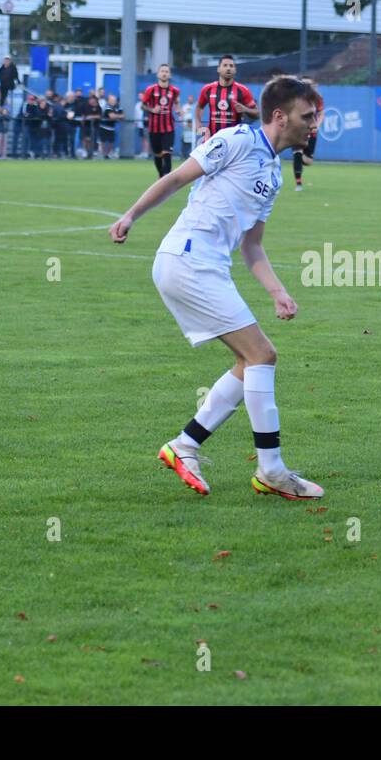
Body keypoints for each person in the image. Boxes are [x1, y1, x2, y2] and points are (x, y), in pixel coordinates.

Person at [108, 75, 323, 500]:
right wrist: (131, 215)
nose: (314, 124)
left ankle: (184, 445)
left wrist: (277, 291)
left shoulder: (273, 174)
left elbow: (253, 246)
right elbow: (176, 179)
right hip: (187, 260)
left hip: (206, 266)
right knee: (262, 354)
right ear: (280, 117)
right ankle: (271, 469)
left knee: (250, 363)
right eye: (307, 115)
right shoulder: (238, 140)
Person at [195, 54, 257, 142]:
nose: (228, 68)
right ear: (218, 69)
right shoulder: (207, 89)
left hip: (234, 141)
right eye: (225, 65)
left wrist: (246, 109)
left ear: (235, 70)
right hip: (211, 139)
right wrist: (198, 123)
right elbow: (199, 107)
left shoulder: (243, 90)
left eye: (231, 66)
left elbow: (257, 113)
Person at [141, 64, 181, 176]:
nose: (164, 73)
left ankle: (165, 181)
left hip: (169, 127)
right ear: (158, 74)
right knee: (158, 155)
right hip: (154, 128)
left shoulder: (174, 90)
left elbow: (177, 102)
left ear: (170, 75)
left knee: (167, 153)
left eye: (166, 71)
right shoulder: (150, 90)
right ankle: (161, 176)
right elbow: (143, 106)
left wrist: (178, 110)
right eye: (162, 71)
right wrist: (152, 109)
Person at [292, 75, 323, 191]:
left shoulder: (317, 98)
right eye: (303, 84)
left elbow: (321, 113)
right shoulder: (294, 98)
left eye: (308, 84)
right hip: (298, 130)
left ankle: (301, 160)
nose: (306, 86)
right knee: (297, 152)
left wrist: (317, 125)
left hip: (312, 132)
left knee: (308, 161)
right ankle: (298, 183)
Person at [99, 93, 123, 159]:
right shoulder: (107, 107)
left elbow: (123, 116)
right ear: (108, 101)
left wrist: (117, 116)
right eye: (112, 100)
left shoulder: (117, 107)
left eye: (114, 100)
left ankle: (107, 154)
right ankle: (103, 154)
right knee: (103, 141)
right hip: (104, 127)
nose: (114, 101)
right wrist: (118, 116)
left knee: (111, 142)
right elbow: (111, 116)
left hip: (112, 128)